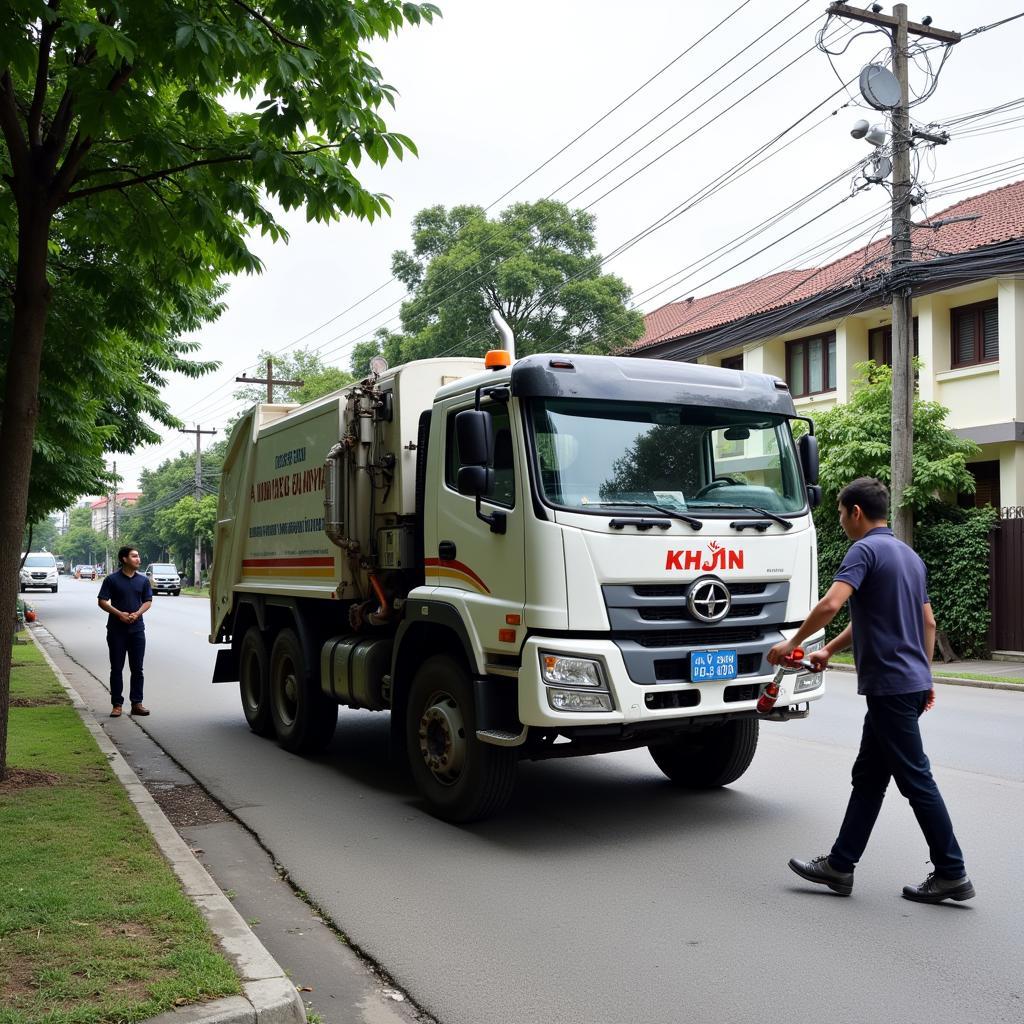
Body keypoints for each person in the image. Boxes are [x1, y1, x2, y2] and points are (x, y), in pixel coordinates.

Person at [767, 476, 974, 904]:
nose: (841, 522)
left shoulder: (863, 550)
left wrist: (793, 643)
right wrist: (829, 652)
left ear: (855, 512)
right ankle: (840, 867)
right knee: (869, 777)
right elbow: (923, 622)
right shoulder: (908, 556)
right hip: (910, 683)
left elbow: (831, 604)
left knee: (916, 779)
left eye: (841, 514)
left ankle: (952, 872)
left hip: (890, 687)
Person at [97, 546, 154, 718]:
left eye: (138, 556)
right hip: (116, 630)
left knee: (137, 669)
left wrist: (137, 613)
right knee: (117, 668)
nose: (138, 559)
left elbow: (148, 601)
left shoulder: (143, 581)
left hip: (137, 630)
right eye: (134, 556)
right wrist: (119, 614)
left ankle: (137, 703)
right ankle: (117, 704)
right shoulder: (112, 580)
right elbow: (102, 601)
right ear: (124, 559)